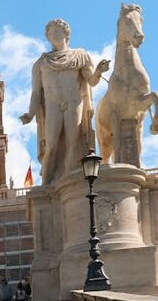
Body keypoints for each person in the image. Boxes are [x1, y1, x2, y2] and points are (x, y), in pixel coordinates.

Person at [20, 18, 109, 184]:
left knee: (73, 143)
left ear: (66, 34)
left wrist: (98, 71)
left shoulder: (80, 56)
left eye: (56, 31)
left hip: (74, 103)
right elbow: (36, 93)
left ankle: (69, 181)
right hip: (53, 106)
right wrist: (30, 114)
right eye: (50, 32)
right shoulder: (41, 63)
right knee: (51, 145)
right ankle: (47, 183)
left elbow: (91, 81)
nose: (53, 34)